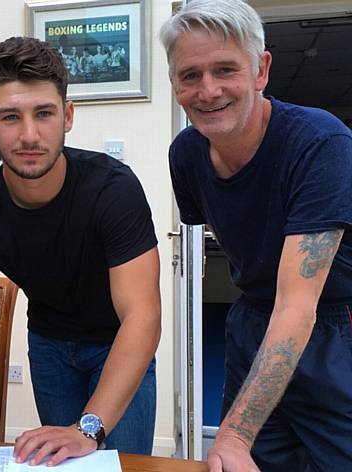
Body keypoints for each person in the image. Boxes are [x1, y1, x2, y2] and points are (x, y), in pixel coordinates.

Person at [0, 36, 161, 466]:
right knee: (61, 463)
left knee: (120, 464)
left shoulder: (113, 190)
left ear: (67, 116)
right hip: (49, 344)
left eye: (44, 113)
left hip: (118, 342)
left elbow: (142, 317)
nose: (29, 135)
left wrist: (89, 427)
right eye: (11, 117)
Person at [160, 1, 352, 471]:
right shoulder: (186, 155)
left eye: (226, 69)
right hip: (252, 324)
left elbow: (297, 304)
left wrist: (234, 433)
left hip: (335, 328)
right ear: (174, 83)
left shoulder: (320, 143)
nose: (208, 91)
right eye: (190, 75)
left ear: (260, 69)